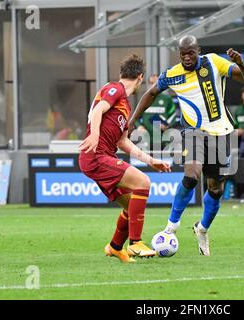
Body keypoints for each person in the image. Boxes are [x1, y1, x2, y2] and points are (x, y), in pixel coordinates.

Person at [128, 35, 244, 256]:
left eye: (191, 53)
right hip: (191, 131)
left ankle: (202, 229)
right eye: (183, 54)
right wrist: (131, 122)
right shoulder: (172, 74)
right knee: (191, 175)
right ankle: (171, 228)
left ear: (198, 50)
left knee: (215, 190)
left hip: (221, 133)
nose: (187, 57)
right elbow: (150, 94)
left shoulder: (214, 62)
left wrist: (241, 63)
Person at [78, 54, 171, 263]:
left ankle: (115, 247)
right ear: (140, 77)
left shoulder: (125, 105)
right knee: (143, 182)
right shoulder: (115, 89)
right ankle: (135, 243)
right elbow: (97, 112)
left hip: (101, 157)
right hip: (96, 156)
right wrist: (94, 134)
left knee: (131, 207)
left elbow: (123, 142)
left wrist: (150, 160)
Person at [136, 74, 178, 147]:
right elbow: (136, 117)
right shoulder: (143, 99)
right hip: (146, 139)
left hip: (164, 139)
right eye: (151, 83)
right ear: (148, 84)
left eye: (156, 83)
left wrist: (167, 126)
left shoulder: (167, 99)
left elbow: (173, 116)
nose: (153, 85)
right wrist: (139, 126)